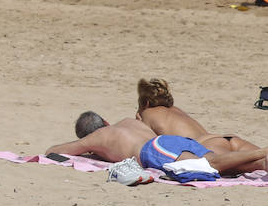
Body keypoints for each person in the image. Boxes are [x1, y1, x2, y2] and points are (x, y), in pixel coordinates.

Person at [46, 111, 268, 182]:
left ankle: (262, 152)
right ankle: (262, 159)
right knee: (231, 166)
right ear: (105, 120)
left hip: (154, 150)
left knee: (210, 164)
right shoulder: (128, 121)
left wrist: (86, 146)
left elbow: (53, 151)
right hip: (169, 142)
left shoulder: (98, 137)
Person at [134, 77, 265, 167]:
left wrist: (139, 120)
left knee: (251, 165)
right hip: (227, 138)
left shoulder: (146, 113)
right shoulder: (175, 110)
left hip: (207, 146)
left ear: (145, 103)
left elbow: (147, 146)